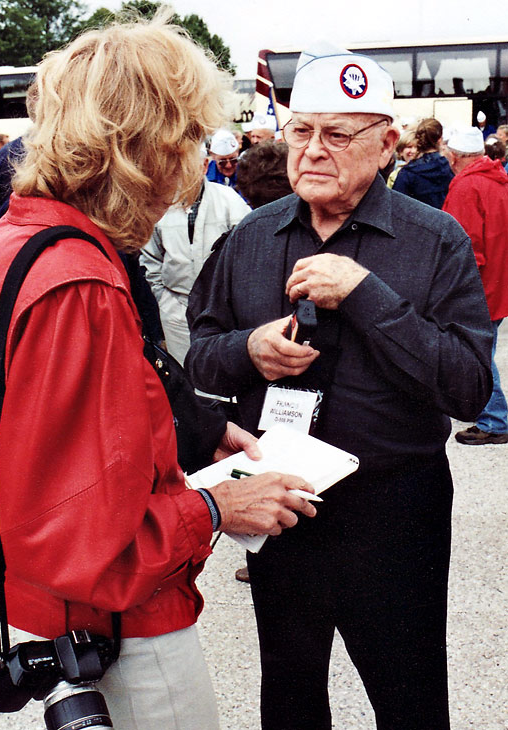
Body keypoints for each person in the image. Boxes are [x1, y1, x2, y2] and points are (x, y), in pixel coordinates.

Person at [0, 18, 317, 730]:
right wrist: (219, 509)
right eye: (185, 135)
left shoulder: (14, 240)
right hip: (124, 630)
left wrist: (198, 431)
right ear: (143, 146)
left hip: (61, 616)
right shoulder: (79, 279)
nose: (191, 162)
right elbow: (90, 539)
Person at [186, 41, 493, 730]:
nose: (312, 150)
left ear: (385, 144)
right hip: (281, 505)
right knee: (290, 698)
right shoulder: (252, 236)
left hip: (394, 510)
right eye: (301, 130)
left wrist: (366, 296)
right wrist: (247, 351)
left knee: (408, 695)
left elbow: (469, 388)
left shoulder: (432, 239)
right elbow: (197, 360)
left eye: (337, 134)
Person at [142, 144, 250, 363]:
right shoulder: (161, 204)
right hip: (176, 306)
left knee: (218, 373)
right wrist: (164, 298)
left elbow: (247, 255)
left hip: (220, 309)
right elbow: (150, 258)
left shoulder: (229, 201)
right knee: (184, 376)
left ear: (204, 165)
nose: (181, 173)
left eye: (187, 166)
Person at [442, 127, 508, 445]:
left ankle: (495, 420)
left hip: (480, 288)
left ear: (454, 157)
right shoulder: (498, 179)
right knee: (486, 350)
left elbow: (463, 247)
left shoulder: (466, 187)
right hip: (499, 281)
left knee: (480, 356)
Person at [392, 117, 453, 207]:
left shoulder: (408, 173)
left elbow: (396, 205)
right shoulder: (451, 168)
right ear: (440, 140)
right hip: (447, 219)